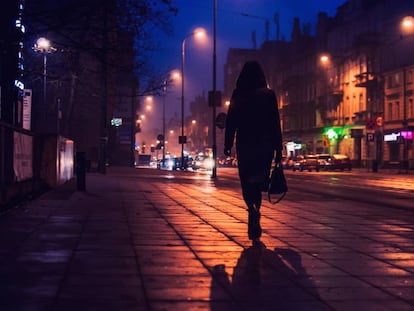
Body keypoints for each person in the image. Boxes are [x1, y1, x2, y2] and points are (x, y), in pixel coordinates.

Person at [224, 61, 283, 242]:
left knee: (246, 180)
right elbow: (275, 122)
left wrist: (227, 144)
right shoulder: (269, 95)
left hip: (245, 144)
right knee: (259, 179)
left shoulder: (238, 95)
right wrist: (278, 148)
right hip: (264, 145)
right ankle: (257, 207)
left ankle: (252, 208)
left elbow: (231, 121)